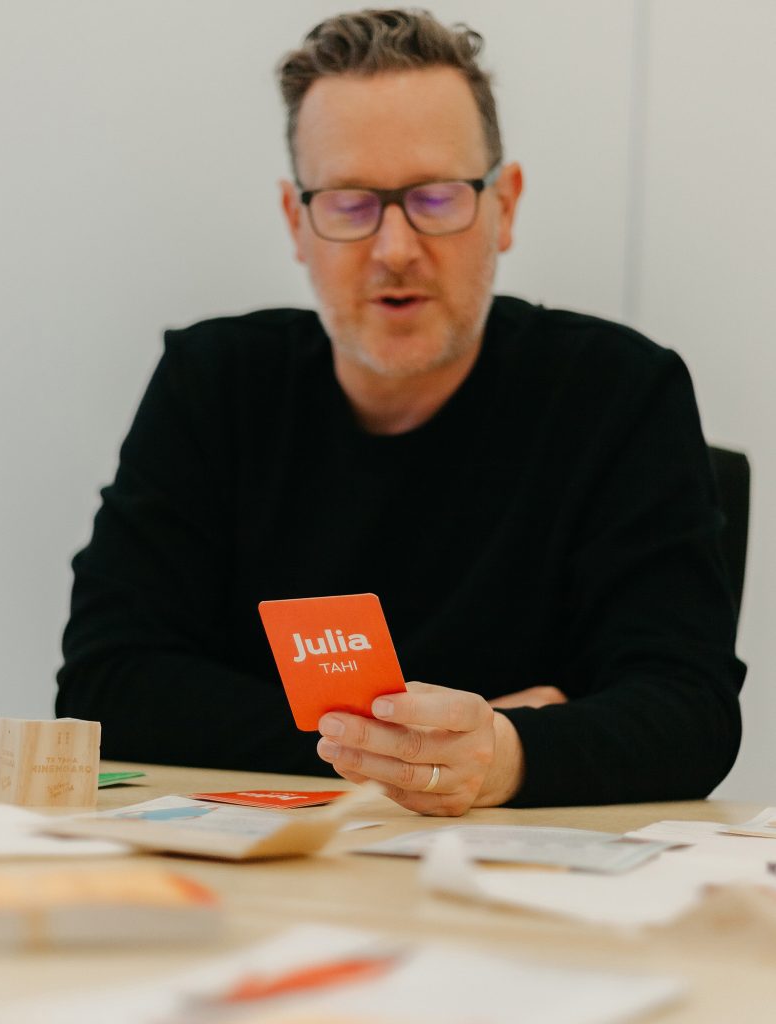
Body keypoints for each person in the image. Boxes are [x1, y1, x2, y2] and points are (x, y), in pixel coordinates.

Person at [56, 8, 745, 815]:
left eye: (435, 197)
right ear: (296, 222)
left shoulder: (620, 392)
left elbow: (690, 710)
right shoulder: (212, 384)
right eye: (350, 204)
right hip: (272, 874)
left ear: (506, 207)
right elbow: (106, 682)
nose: (394, 249)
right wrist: (451, 746)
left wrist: (503, 757)